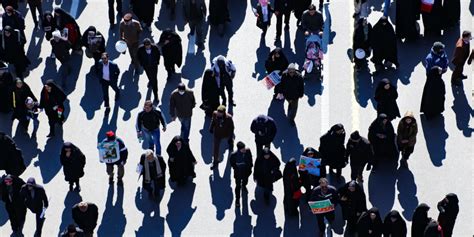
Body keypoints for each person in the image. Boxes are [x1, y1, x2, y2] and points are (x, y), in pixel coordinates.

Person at [209, 105, 234, 170]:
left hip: (226, 133)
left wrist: (230, 138)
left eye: (220, 113)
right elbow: (213, 121)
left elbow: (231, 128)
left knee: (230, 141)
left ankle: (231, 144)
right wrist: (211, 127)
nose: (218, 114)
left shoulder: (229, 118)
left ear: (224, 113)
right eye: (218, 112)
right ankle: (215, 162)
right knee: (215, 149)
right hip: (217, 134)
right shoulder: (215, 114)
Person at [230, 141, 253, 207]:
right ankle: (237, 200)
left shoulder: (248, 151)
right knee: (237, 186)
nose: (244, 150)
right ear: (239, 149)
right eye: (242, 149)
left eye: (244, 148)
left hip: (246, 171)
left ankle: (244, 186)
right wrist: (236, 168)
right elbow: (232, 163)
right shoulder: (234, 155)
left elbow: (250, 160)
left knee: (245, 181)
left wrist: (250, 167)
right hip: (238, 173)